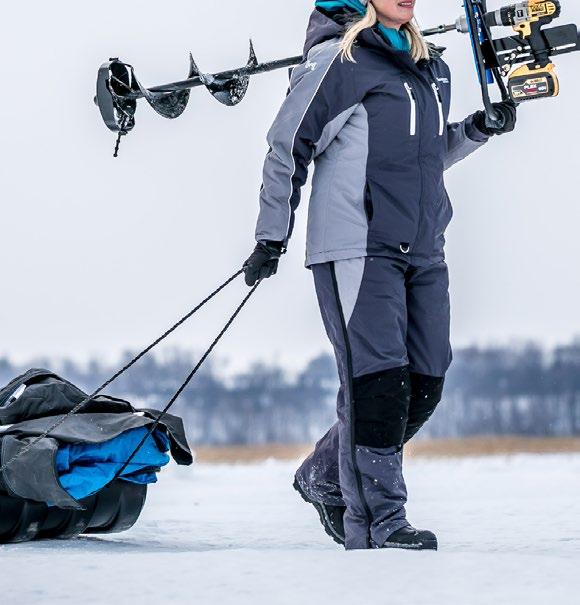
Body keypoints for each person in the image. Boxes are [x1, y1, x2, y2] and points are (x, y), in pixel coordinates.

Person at [244, 0, 516, 551]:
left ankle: (324, 474)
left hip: (424, 247)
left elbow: (421, 156)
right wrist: (272, 235)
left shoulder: (429, 67)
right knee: (378, 385)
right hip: (358, 246)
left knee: (426, 381)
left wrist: (476, 130)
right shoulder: (338, 61)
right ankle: (379, 525)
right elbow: (287, 145)